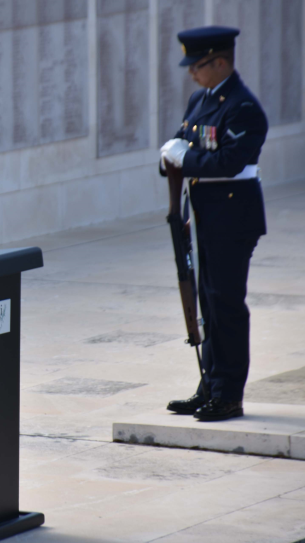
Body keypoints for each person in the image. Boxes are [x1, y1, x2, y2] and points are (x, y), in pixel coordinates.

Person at [160, 27, 268, 422]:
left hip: (233, 218)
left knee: (226, 306)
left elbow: (228, 161)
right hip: (205, 216)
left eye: (198, 65)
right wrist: (168, 156)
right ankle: (209, 386)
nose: (191, 73)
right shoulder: (200, 100)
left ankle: (228, 394)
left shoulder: (243, 108)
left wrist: (182, 158)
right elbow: (180, 144)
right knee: (208, 304)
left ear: (220, 62)